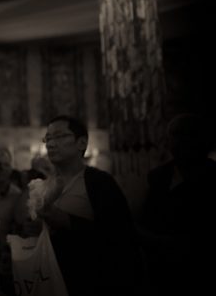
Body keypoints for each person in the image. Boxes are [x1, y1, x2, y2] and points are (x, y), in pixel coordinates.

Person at [35, 115, 142, 296]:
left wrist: (66, 220)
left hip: (93, 282)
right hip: (52, 280)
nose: (50, 144)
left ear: (81, 143)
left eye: (60, 137)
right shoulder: (43, 184)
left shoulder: (99, 182)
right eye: (48, 138)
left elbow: (121, 236)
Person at [138, 113, 216, 296]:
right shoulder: (158, 176)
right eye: (173, 138)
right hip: (162, 267)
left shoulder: (213, 177)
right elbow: (145, 216)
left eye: (184, 138)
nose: (174, 144)